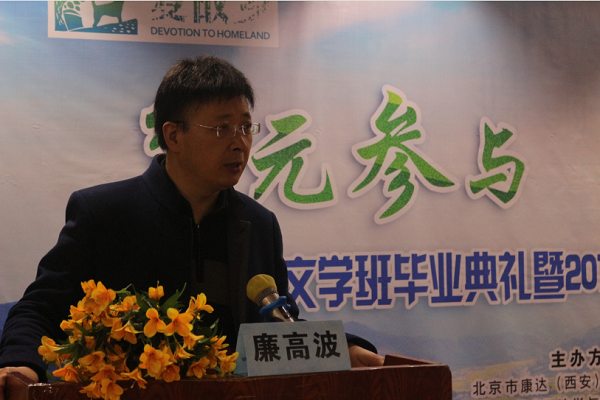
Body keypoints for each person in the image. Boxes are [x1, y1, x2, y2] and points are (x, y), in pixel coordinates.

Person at [0, 55, 384, 396]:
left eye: (246, 127)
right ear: (173, 135)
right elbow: (39, 307)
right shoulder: (104, 214)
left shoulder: (258, 224)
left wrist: (344, 348)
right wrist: (21, 364)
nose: (239, 143)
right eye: (221, 128)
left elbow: (280, 325)